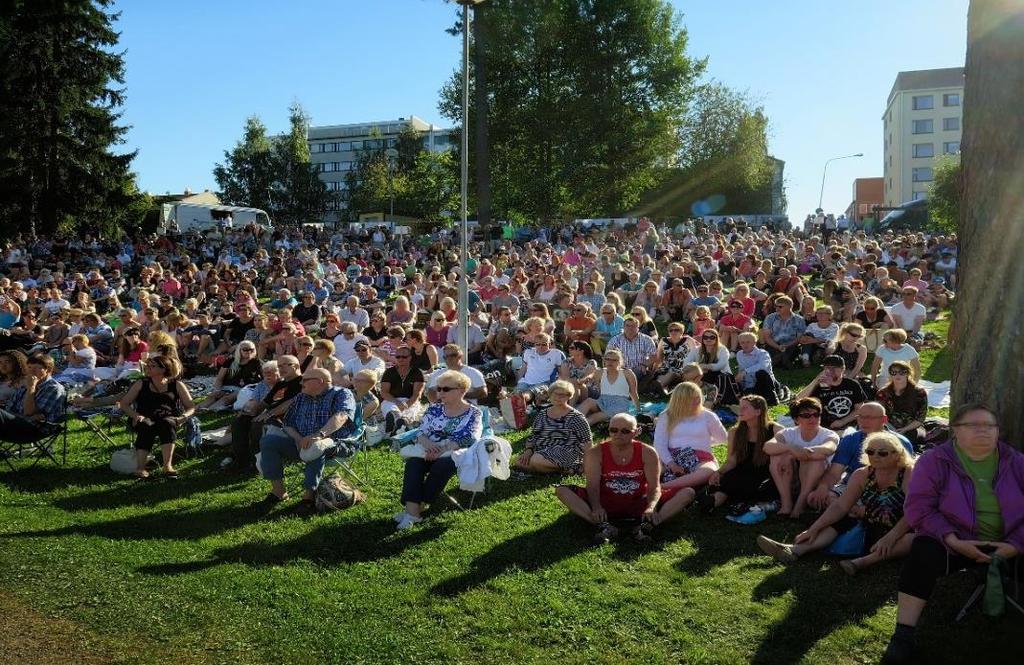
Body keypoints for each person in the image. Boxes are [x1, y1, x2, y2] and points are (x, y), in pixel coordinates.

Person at [884, 404, 1024, 664]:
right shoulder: (934, 461)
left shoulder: (1016, 462)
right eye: (973, 425)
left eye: (989, 426)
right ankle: (903, 634)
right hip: (954, 540)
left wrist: (1015, 544)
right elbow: (919, 509)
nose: (983, 431)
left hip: (1011, 541)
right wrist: (953, 540)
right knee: (922, 552)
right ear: (955, 431)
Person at [758, 431, 915, 573]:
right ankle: (795, 550)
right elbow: (841, 505)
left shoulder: (909, 473)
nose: (875, 456)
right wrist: (813, 528)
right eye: (870, 452)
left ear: (897, 454)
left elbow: (914, 511)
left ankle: (862, 563)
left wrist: (892, 536)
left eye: (882, 453)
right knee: (842, 518)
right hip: (871, 523)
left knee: (914, 538)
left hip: (902, 526)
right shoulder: (862, 474)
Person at [555, 413, 695, 545]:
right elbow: (592, 485)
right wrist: (597, 507)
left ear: (636, 431)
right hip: (605, 503)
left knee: (688, 493)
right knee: (562, 491)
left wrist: (651, 507)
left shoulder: (647, 452)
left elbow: (654, 486)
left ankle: (646, 526)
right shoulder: (595, 453)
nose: (618, 435)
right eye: (613, 430)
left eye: (625, 431)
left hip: (639, 503)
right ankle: (604, 526)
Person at [257, 367, 356, 517]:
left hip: (336, 443)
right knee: (269, 441)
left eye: (305, 380)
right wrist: (298, 439)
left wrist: (319, 435)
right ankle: (279, 492)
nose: (301, 383)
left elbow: (341, 416)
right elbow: (288, 423)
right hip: (301, 442)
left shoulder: (341, 394)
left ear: (320, 381)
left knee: (315, 446)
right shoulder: (301, 397)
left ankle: (308, 498)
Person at [396, 370, 483, 530]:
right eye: (439, 388)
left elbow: (468, 438)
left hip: (455, 453)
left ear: (462, 390)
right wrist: (430, 446)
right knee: (413, 464)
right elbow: (421, 432)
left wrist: (440, 451)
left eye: (446, 389)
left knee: (442, 466)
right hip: (427, 450)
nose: (440, 392)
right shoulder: (434, 409)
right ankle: (413, 511)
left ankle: (414, 509)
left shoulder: (474, 413)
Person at [806, 402, 914, 510]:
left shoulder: (900, 442)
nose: (864, 421)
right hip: (852, 485)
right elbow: (835, 472)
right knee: (818, 497)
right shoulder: (850, 439)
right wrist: (823, 487)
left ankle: (853, 512)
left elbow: (905, 477)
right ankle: (859, 511)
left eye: (870, 418)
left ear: (884, 420)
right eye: (860, 417)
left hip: (887, 489)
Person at [700, 395, 783, 513]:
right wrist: (719, 472)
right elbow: (731, 460)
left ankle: (730, 501)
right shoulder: (735, 432)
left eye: (745, 408)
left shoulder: (775, 430)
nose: (740, 411)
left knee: (759, 488)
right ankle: (712, 502)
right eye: (740, 407)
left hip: (765, 474)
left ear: (758, 411)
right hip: (741, 472)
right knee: (727, 482)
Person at [117, 355, 195, 480]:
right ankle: (140, 468)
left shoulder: (177, 385)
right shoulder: (141, 383)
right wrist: (136, 415)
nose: (148, 368)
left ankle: (167, 466)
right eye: (148, 365)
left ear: (164, 369)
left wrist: (183, 418)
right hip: (144, 416)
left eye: (152, 366)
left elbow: (191, 407)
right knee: (146, 425)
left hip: (168, 417)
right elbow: (124, 404)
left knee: (168, 424)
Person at [763, 397, 839, 518]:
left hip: (817, 481)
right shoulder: (788, 433)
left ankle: (800, 504)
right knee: (777, 458)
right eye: (806, 415)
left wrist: (799, 453)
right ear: (796, 419)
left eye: (816, 414)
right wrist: (791, 449)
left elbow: (829, 448)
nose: (812, 418)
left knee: (817, 460)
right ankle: (786, 503)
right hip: (790, 477)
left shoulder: (828, 434)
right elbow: (768, 447)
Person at [225, 356, 303, 473]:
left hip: (288, 420)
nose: (281, 368)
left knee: (259, 424)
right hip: (271, 415)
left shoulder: (303, 382)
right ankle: (240, 460)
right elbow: (265, 403)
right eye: (279, 366)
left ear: (296, 366)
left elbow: (292, 402)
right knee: (240, 421)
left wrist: (270, 414)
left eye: (285, 365)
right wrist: (250, 412)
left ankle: (257, 463)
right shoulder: (280, 384)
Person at [652, 382, 727, 494]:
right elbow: (659, 443)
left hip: (701, 457)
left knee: (708, 471)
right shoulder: (666, 416)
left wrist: (704, 442)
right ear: (680, 400)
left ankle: (663, 486)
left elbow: (723, 438)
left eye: (698, 397)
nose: (697, 401)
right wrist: (671, 463)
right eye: (692, 399)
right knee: (652, 466)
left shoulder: (708, 416)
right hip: (671, 456)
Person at [515, 379, 592, 474]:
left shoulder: (576, 417)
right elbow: (534, 436)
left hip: (566, 451)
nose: (558, 397)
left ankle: (572, 467)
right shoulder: (543, 414)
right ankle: (563, 470)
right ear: (550, 395)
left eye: (562, 395)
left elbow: (587, 441)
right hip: (543, 449)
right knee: (519, 462)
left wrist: (586, 461)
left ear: (569, 396)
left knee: (535, 461)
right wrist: (529, 450)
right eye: (555, 394)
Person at [0, 353, 66, 444]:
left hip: (34, 430)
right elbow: (10, 408)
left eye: (36, 368)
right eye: (29, 367)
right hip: (16, 422)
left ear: (48, 370)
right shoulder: (26, 385)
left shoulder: (54, 389)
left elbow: (29, 412)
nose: (31, 371)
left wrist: (31, 388)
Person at [793, 355, 866, 431]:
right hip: (824, 427)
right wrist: (815, 381)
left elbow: (859, 409)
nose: (831, 371)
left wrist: (842, 421)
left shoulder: (852, 384)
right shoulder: (819, 385)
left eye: (834, 368)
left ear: (843, 369)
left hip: (848, 426)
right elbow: (798, 400)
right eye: (827, 368)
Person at [577, 348, 640, 425]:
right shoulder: (600, 372)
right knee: (589, 401)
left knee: (596, 416)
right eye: (608, 359)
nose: (610, 362)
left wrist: (638, 411)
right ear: (604, 361)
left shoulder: (627, 373)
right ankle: (571, 419)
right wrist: (588, 375)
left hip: (619, 405)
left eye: (614, 360)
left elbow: (633, 393)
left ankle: (578, 427)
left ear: (620, 362)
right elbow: (583, 381)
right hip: (603, 401)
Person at [875, 361, 928, 448]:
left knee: (910, 439)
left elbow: (920, 418)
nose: (897, 375)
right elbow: (879, 415)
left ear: (908, 373)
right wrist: (891, 429)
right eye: (894, 372)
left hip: (912, 428)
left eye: (902, 372)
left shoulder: (919, 393)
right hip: (887, 426)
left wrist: (904, 429)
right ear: (890, 374)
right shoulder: (882, 393)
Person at [197, 341, 262, 411]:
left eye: (251, 349)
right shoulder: (230, 361)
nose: (248, 351)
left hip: (242, 389)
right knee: (213, 396)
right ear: (239, 350)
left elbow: (264, 377)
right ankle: (194, 410)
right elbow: (220, 378)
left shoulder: (257, 363)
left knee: (227, 398)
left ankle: (210, 410)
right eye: (245, 349)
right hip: (226, 387)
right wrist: (217, 390)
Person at [379, 346, 426, 433]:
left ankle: (402, 422)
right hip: (392, 399)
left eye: (404, 357)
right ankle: (396, 420)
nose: (400, 359)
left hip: (410, 400)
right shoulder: (389, 372)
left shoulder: (417, 372)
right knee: (390, 408)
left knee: (411, 410)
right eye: (398, 357)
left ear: (410, 357)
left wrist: (407, 404)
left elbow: (417, 394)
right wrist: (397, 402)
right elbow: (384, 392)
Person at [734, 332, 786, 406]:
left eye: (748, 342)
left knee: (761, 373)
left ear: (754, 342)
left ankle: (772, 399)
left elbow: (763, 366)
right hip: (750, 384)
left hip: (767, 383)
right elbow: (741, 370)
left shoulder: (763, 353)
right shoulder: (739, 354)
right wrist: (739, 380)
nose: (745, 345)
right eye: (742, 342)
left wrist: (745, 372)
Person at [649, 322, 696, 396]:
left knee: (671, 374)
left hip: (682, 368)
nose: (673, 332)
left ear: (681, 331)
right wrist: (654, 369)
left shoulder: (688, 340)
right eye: (671, 330)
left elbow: (695, 355)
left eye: (676, 330)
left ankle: (656, 390)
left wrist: (692, 368)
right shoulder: (663, 341)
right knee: (663, 376)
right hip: (666, 368)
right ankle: (663, 391)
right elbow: (659, 358)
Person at [759, 296, 806, 369]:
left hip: (791, 345)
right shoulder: (770, 317)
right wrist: (777, 346)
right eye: (776, 306)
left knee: (792, 351)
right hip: (773, 344)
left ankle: (776, 361)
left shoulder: (799, 320)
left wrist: (787, 346)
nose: (777, 308)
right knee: (774, 352)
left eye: (780, 307)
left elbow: (798, 338)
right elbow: (767, 337)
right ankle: (783, 361)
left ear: (789, 306)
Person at [606, 317, 657, 383]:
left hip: (639, 369)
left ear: (638, 328)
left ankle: (625, 384)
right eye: (627, 326)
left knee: (639, 372)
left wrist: (644, 364)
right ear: (623, 327)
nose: (630, 328)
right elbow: (607, 356)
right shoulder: (615, 340)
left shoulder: (647, 340)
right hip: (620, 369)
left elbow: (654, 356)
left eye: (633, 326)